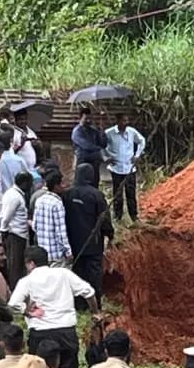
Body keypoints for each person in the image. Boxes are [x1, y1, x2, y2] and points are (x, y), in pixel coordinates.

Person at [9, 246, 98, 368]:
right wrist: (95, 312)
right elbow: (89, 292)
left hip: (40, 333)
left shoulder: (27, 280)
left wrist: (26, 311)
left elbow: (13, 304)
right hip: (66, 331)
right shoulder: (64, 273)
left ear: (30, 263)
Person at [64, 162, 113, 300]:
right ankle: (95, 300)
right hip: (93, 243)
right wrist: (110, 234)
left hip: (73, 242)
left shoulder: (67, 195)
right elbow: (104, 217)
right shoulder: (96, 195)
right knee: (94, 273)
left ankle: (79, 302)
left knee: (77, 272)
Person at [104, 111, 145, 222]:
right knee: (117, 194)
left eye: (127, 120)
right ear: (117, 121)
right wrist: (107, 156)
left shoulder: (131, 131)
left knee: (131, 193)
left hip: (129, 168)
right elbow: (102, 146)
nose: (126, 123)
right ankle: (117, 217)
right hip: (116, 168)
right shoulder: (109, 133)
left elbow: (141, 141)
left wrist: (137, 155)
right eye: (123, 120)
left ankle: (134, 216)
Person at [0, 171, 33, 288]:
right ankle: (15, 289)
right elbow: (6, 217)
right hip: (15, 235)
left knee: (19, 264)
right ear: (24, 183)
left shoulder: (14, 194)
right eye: (29, 184)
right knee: (15, 266)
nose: (30, 187)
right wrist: (3, 231)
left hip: (19, 234)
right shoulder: (14, 197)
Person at [32, 170, 71, 265]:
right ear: (56, 186)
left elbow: (35, 225)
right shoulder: (57, 204)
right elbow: (61, 233)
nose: (64, 186)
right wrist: (68, 252)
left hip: (42, 255)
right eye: (62, 183)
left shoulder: (39, 200)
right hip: (56, 255)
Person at [71, 106, 107, 177]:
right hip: (82, 161)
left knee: (95, 181)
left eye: (90, 118)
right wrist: (100, 150)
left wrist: (102, 132)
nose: (88, 121)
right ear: (80, 118)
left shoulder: (94, 130)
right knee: (82, 181)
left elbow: (103, 144)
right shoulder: (77, 131)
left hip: (94, 162)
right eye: (86, 119)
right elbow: (86, 145)